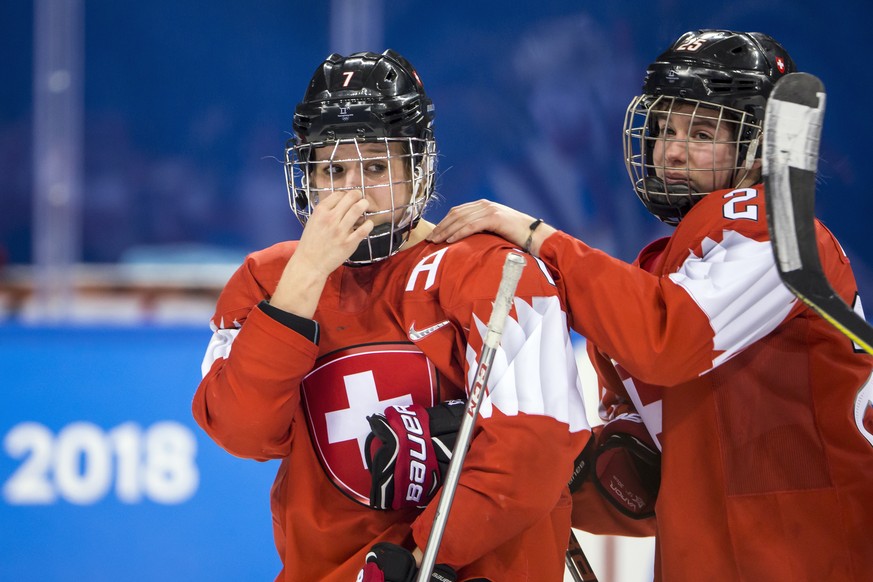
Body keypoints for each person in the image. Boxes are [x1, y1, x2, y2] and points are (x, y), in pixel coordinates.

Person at [427, 30, 873, 580]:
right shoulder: (652, 281)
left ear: (762, 144)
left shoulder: (778, 227)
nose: (673, 150)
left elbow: (669, 340)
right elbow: (641, 484)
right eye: (665, 129)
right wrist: (523, 466)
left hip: (820, 557)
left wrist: (533, 233)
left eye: (703, 132)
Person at [192, 49, 591, 581]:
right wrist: (305, 277)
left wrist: (419, 559)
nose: (355, 189)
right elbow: (243, 433)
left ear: (416, 168)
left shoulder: (497, 271)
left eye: (377, 166)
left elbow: (536, 449)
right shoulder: (269, 280)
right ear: (305, 176)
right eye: (334, 168)